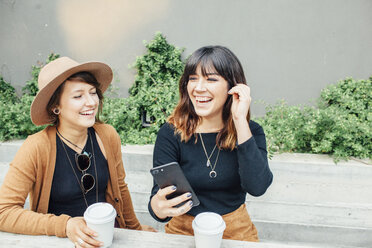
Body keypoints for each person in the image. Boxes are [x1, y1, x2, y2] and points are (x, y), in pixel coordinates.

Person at [0, 57, 155, 248]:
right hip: (62, 241)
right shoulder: (36, 147)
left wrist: (136, 231)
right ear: (55, 106)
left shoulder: (107, 135)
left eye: (92, 93)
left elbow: (120, 189)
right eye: (78, 96)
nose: (91, 102)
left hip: (107, 237)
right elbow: (4, 212)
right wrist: (64, 225)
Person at [148, 46, 273, 241]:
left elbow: (257, 187)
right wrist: (158, 207)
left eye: (211, 79)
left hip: (236, 230)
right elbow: (159, 201)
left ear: (232, 87)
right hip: (182, 231)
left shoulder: (250, 131)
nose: (198, 88)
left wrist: (240, 120)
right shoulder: (171, 133)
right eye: (193, 78)